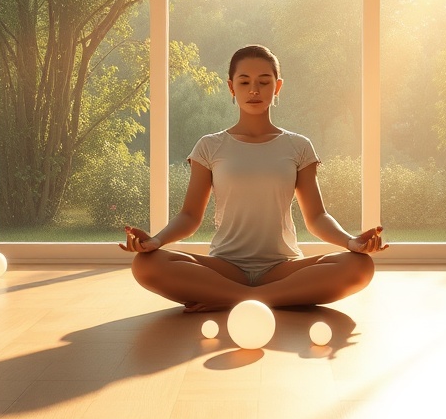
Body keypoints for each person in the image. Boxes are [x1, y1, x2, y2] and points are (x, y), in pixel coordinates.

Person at [120, 44, 388, 311]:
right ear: (231, 87)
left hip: (283, 267)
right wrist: (155, 241)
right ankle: (268, 298)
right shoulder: (209, 146)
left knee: (359, 266)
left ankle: (231, 298)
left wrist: (351, 242)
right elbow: (189, 216)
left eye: (264, 81)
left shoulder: (298, 146)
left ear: (277, 86)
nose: (254, 90)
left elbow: (317, 217)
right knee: (146, 265)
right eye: (244, 81)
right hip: (225, 267)